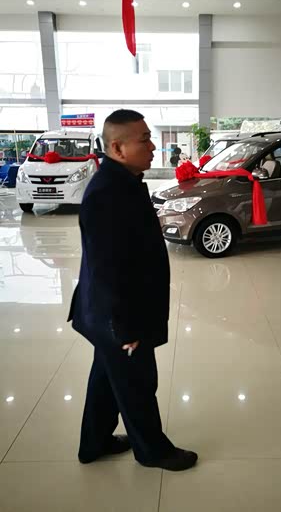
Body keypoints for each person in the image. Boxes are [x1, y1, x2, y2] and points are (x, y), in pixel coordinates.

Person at [68, 109, 198, 471]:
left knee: (107, 378)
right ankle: (152, 451)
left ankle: (94, 443)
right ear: (117, 148)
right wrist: (125, 328)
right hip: (118, 317)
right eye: (144, 140)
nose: (153, 146)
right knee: (137, 383)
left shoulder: (123, 182)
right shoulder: (107, 193)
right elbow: (107, 269)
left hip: (109, 313)